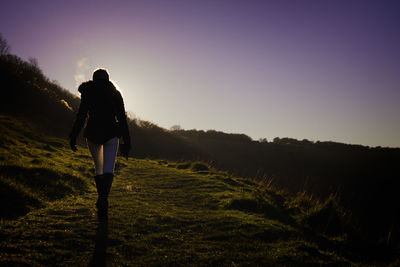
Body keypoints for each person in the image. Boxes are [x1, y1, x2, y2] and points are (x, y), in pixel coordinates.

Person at [69, 68, 131, 220]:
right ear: (108, 79)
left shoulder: (88, 91)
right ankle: (103, 199)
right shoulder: (115, 93)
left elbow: (82, 116)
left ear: (94, 78)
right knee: (109, 169)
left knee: (99, 168)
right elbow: (122, 119)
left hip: (93, 133)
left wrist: (73, 137)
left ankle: (101, 198)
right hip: (111, 132)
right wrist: (127, 143)